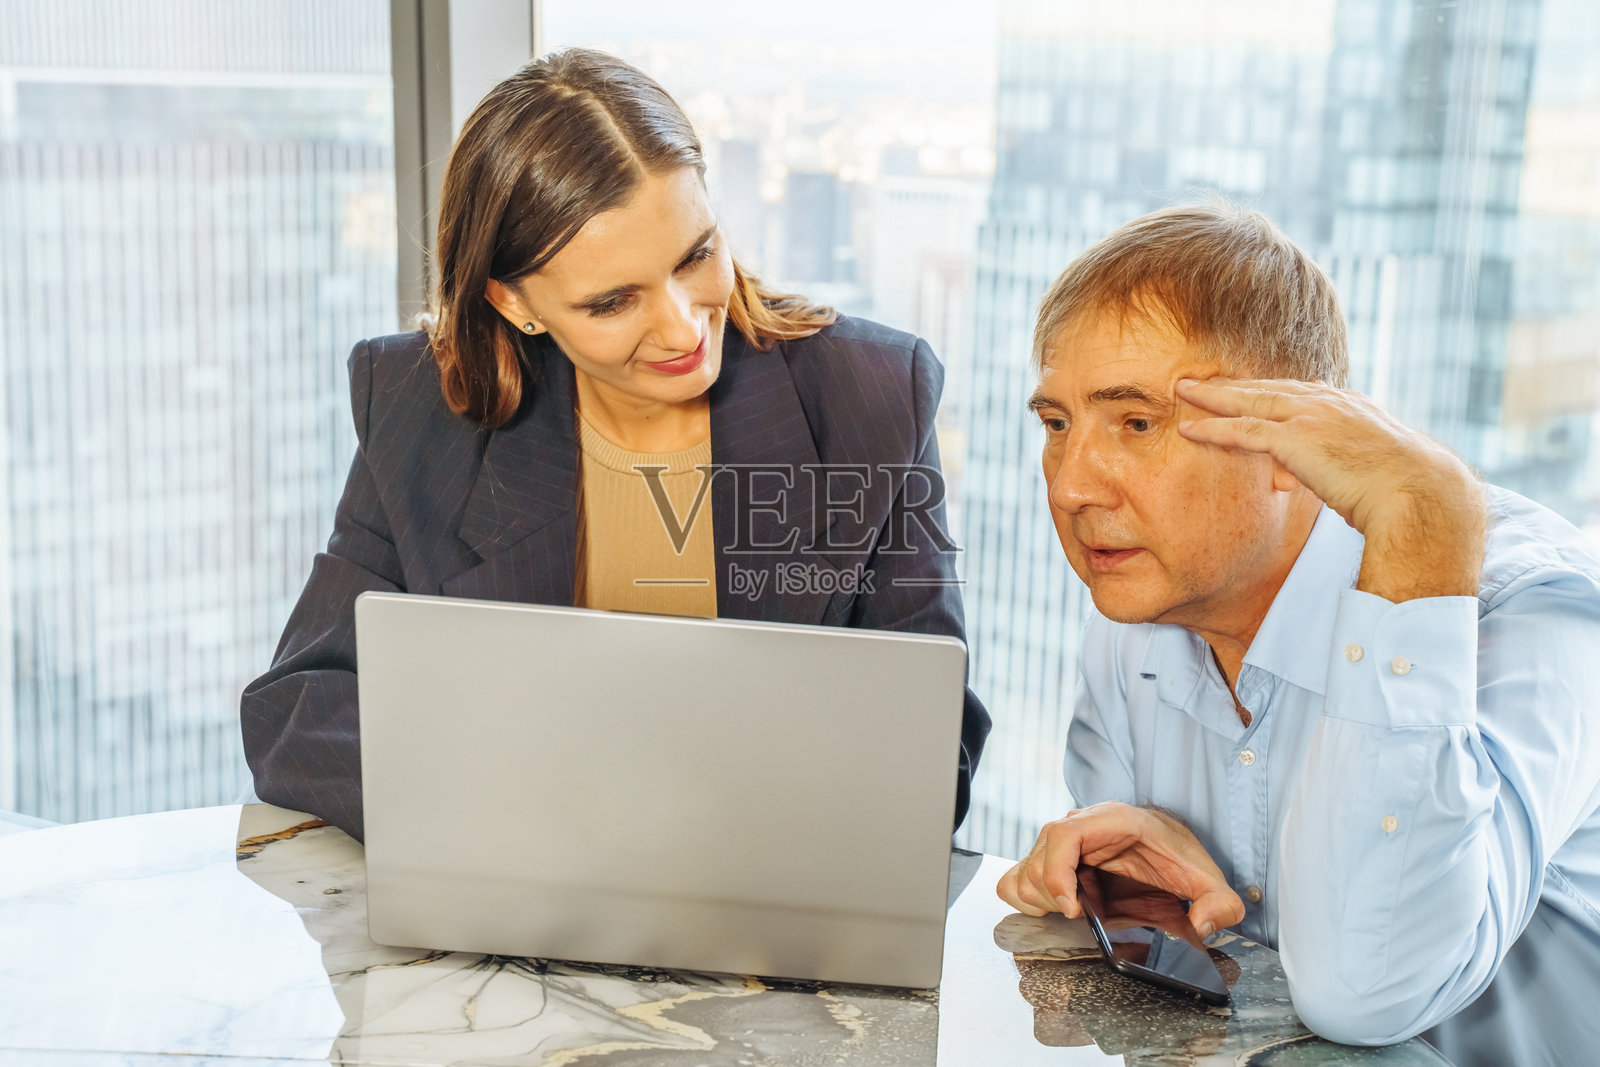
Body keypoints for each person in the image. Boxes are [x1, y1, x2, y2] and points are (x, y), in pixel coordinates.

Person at [241, 49, 990, 842]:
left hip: (768, 910)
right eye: (612, 301)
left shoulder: (871, 394)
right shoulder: (419, 408)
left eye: (696, 255)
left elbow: (936, 752)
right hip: (515, 902)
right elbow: (298, 710)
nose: (680, 326)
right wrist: (539, 812)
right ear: (515, 302)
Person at [994, 202, 1600, 1063]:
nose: (1071, 488)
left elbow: (1367, 993)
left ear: (1289, 442)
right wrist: (1130, 861)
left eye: (1134, 422)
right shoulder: (1140, 610)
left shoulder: (1534, 611)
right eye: (1057, 425)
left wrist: (1425, 527)